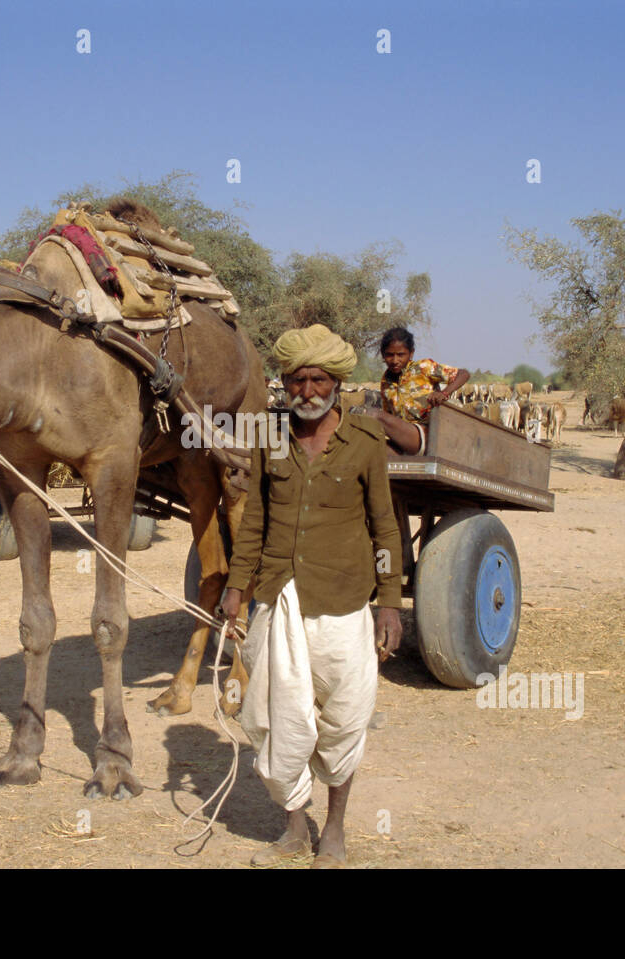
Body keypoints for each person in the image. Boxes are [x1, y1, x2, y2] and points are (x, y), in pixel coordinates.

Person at [221, 323, 403, 869]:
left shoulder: (367, 442)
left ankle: (336, 829)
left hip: (344, 603)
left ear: (337, 383)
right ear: (284, 381)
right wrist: (235, 585)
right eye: (296, 380)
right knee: (279, 719)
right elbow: (253, 520)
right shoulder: (269, 438)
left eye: (318, 379)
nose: (306, 391)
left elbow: (386, 528)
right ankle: (296, 829)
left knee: (342, 721)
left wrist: (389, 601)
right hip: (279, 599)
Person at [372, 327, 469, 455]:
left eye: (400, 355)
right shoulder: (386, 381)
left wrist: (444, 393)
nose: (395, 360)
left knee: (374, 416)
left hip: (426, 435)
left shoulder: (423, 368)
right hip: (401, 437)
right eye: (390, 355)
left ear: (411, 353)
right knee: (372, 451)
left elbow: (463, 374)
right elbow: (389, 415)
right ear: (383, 355)